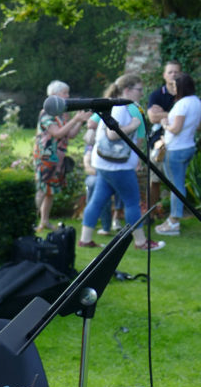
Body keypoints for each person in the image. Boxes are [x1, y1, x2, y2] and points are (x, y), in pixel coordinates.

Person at [78, 73, 164, 252]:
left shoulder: (110, 104)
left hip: (103, 163)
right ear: (127, 90)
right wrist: (133, 125)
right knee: (132, 202)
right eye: (139, 90)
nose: (142, 93)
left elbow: (95, 124)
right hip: (119, 166)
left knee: (97, 201)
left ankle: (85, 239)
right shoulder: (122, 108)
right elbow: (113, 134)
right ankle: (141, 242)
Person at [33, 80, 89, 232]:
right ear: (54, 95)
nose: (68, 96)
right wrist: (75, 119)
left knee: (51, 191)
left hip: (57, 158)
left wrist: (80, 121)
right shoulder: (46, 113)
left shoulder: (63, 113)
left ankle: (44, 221)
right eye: (65, 93)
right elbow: (57, 133)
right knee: (42, 190)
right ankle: (31, 220)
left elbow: (70, 134)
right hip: (45, 158)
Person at [155, 72, 201, 236]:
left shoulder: (182, 104)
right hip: (188, 146)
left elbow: (176, 128)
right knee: (178, 184)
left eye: (175, 86)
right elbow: (198, 126)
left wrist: (164, 124)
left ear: (181, 87)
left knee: (176, 186)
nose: (173, 88)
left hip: (175, 149)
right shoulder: (197, 102)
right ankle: (173, 219)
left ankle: (174, 221)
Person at [147, 59, 181, 207]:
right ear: (164, 75)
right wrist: (177, 116)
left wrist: (164, 114)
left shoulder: (185, 96)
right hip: (158, 144)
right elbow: (152, 117)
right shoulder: (156, 95)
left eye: (176, 72)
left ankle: (174, 213)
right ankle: (151, 212)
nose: (173, 75)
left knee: (175, 182)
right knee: (154, 180)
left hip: (178, 142)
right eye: (170, 72)